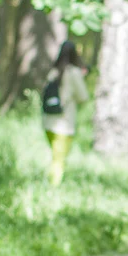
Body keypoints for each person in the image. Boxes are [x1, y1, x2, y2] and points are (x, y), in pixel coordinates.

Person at [41, 40, 89, 186]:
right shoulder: (74, 73)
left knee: (55, 156)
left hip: (48, 121)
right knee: (59, 159)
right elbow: (83, 97)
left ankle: (51, 183)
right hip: (64, 123)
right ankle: (53, 187)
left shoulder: (53, 72)